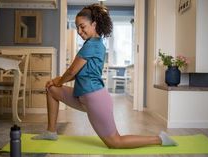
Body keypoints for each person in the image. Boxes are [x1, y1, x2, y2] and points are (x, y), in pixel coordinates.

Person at [32, 3, 178, 149]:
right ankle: (51, 132)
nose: (79, 31)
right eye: (77, 27)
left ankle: (159, 139)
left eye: (82, 26)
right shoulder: (92, 43)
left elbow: (71, 71)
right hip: (82, 97)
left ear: (94, 24)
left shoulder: (92, 45)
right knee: (52, 90)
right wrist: (56, 83)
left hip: (95, 99)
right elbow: (75, 74)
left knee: (115, 142)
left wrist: (58, 81)